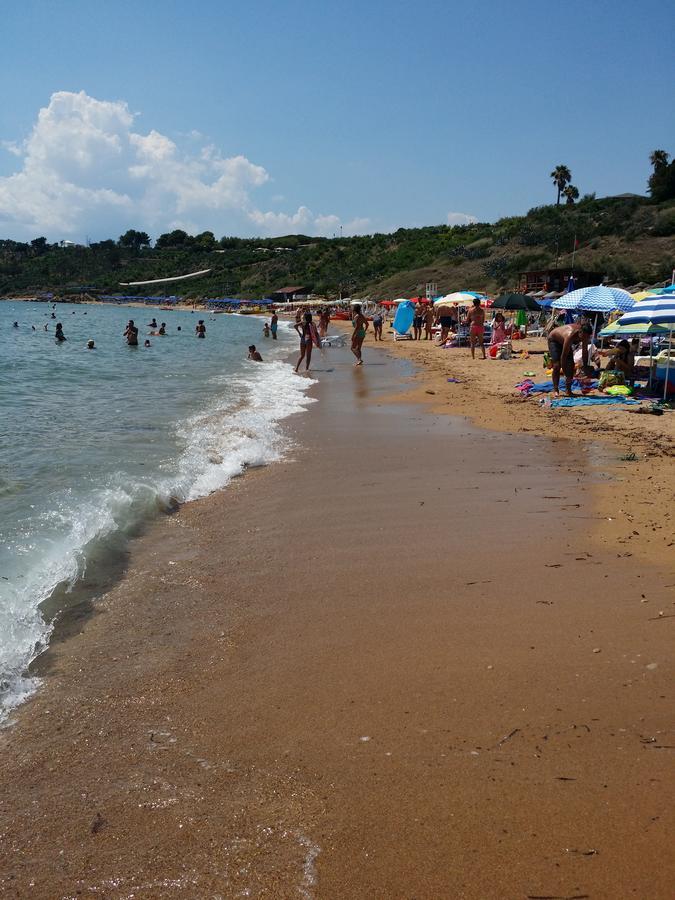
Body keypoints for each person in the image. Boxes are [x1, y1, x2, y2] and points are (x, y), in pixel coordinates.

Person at [547, 321, 593, 397]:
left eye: (586, 337)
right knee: (557, 365)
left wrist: (585, 367)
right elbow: (563, 357)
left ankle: (568, 390)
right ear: (580, 332)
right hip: (554, 340)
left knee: (571, 365)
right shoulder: (570, 335)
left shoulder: (585, 335)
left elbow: (585, 352)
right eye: (583, 337)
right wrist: (565, 374)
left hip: (564, 342)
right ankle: (555, 389)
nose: (584, 339)